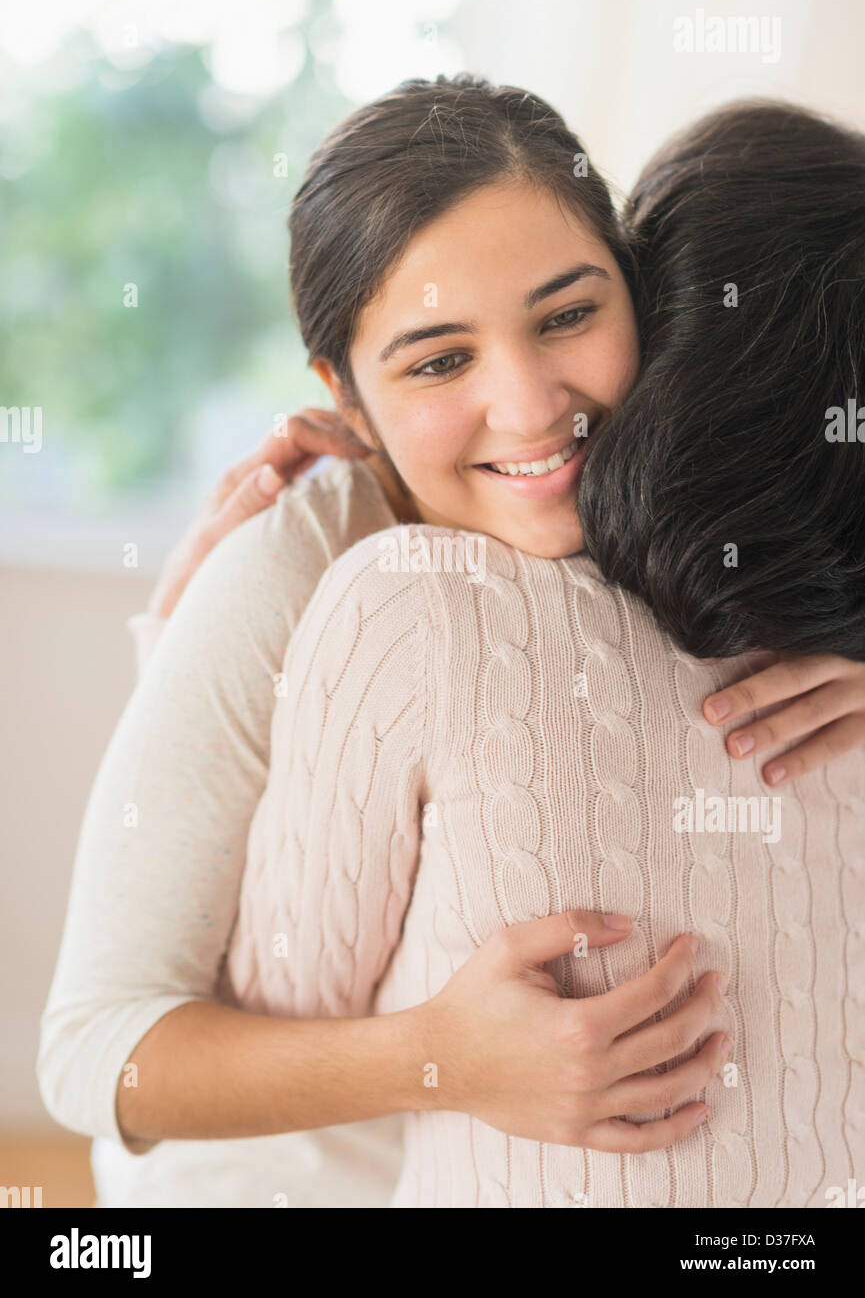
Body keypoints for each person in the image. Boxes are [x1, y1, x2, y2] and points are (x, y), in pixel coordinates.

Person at [37, 79, 865, 1207]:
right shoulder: (296, 569)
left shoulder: (662, 510)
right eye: (438, 360)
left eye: (568, 315)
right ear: (346, 398)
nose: (529, 407)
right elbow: (91, 1051)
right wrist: (443, 1057)